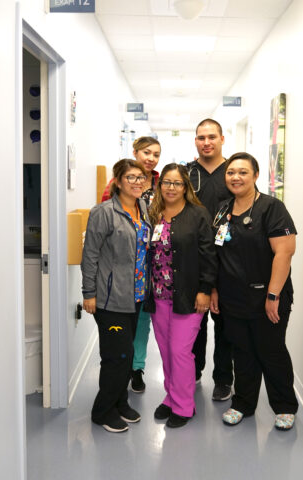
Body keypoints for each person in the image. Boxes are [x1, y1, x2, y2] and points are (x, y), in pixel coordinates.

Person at [210, 152, 299, 431]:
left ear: (255, 175)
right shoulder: (223, 209)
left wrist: (273, 296)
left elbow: (284, 253)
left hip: (266, 298)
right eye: (230, 172)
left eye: (243, 172)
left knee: (270, 351)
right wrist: (214, 289)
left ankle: (284, 406)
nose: (236, 177)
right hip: (232, 297)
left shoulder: (272, 208)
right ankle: (243, 403)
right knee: (242, 352)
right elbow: (217, 253)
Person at [81, 159, 151, 433]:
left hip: (136, 296)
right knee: (116, 356)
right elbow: (91, 254)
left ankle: (120, 402)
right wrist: (89, 293)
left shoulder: (143, 208)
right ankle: (102, 411)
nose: (137, 182)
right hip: (110, 298)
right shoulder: (103, 212)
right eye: (131, 177)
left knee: (128, 352)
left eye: (141, 177)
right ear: (118, 181)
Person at [145, 163, 217, 428]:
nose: (171, 188)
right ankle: (171, 396)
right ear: (159, 184)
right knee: (165, 351)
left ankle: (185, 406)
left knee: (180, 351)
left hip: (188, 296)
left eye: (177, 183)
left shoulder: (198, 214)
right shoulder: (153, 213)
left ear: (186, 187)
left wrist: (204, 290)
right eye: (166, 182)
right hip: (159, 295)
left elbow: (209, 256)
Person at [102, 136, 161, 394]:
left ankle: (137, 369)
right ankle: (120, 368)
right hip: (124, 262)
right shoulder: (116, 184)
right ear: (135, 152)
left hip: (153, 262)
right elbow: (106, 218)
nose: (150, 158)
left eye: (156, 154)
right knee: (121, 322)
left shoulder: (162, 183)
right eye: (146, 152)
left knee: (143, 321)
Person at [187, 118, 233, 402]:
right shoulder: (188, 172)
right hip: (195, 257)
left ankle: (223, 379)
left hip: (229, 257)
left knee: (225, 324)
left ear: (222, 139)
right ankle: (192, 372)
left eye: (211, 137)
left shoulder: (234, 171)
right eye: (201, 137)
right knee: (195, 321)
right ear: (195, 141)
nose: (207, 142)